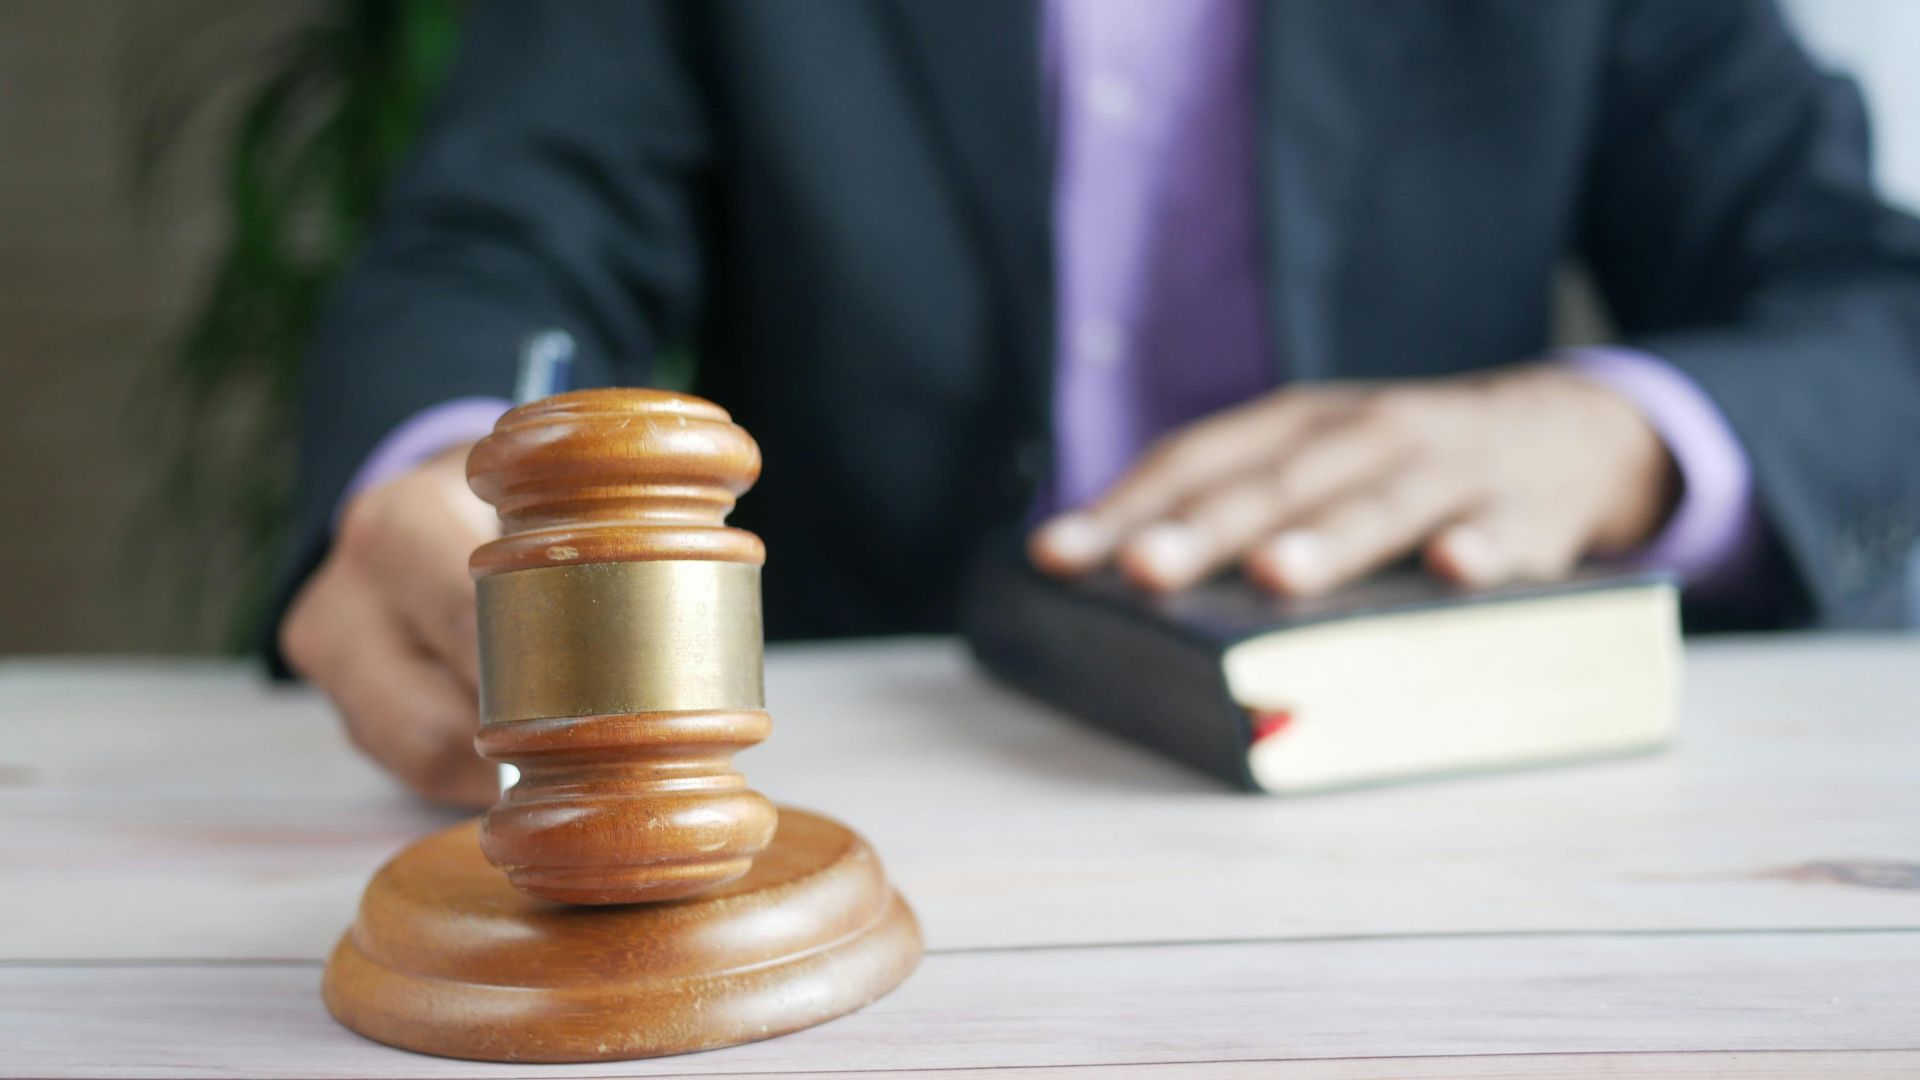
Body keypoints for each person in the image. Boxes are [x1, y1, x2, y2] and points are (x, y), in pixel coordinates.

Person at [275, 0, 1920, 805]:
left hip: (1445, 805)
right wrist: (444, 475)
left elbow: (1868, 306)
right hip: (855, 765)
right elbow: (495, 244)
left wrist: (1618, 437)